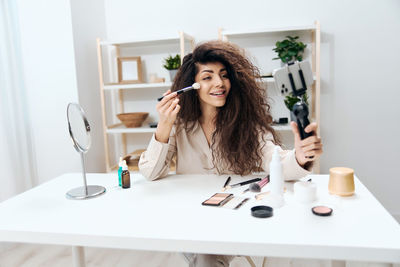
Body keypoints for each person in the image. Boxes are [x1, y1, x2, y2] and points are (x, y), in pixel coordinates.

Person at [139, 40, 323, 267]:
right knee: (203, 255)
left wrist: (301, 157)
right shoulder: (179, 125)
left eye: (224, 75)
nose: (219, 83)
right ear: (191, 85)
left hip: (235, 219)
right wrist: (164, 125)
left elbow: (274, 159)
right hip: (193, 218)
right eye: (207, 77)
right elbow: (150, 172)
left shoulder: (246, 124)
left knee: (205, 258)